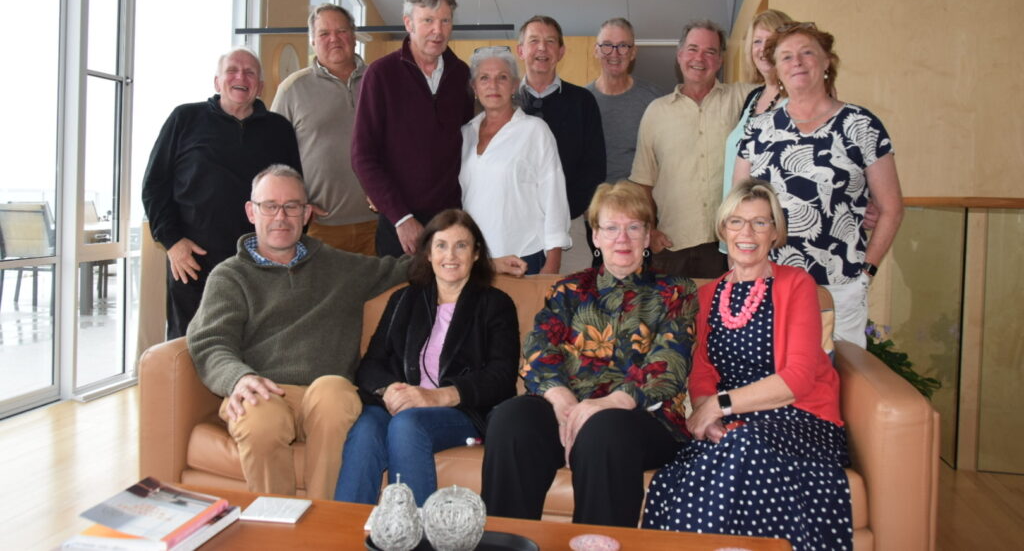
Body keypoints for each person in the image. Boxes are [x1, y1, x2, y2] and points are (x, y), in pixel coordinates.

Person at [186, 166, 526, 501]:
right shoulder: (230, 276)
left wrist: (484, 264)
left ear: (307, 213)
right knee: (261, 421)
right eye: (270, 206)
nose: (281, 216)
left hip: (326, 391)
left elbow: (402, 268)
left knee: (336, 394)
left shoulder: (337, 266)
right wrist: (238, 379)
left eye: (291, 206)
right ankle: (277, 523)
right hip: (264, 389)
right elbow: (210, 341)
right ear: (251, 211)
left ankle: (326, 522)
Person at [643, 179, 852, 550]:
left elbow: (798, 379)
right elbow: (702, 372)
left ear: (775, 233)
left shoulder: (798, 284)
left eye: (760, 222)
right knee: (686, 471)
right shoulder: (706, 296)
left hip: (800, 420)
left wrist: (718, 405)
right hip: (733, 425)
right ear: (723, 230)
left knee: (744, 447)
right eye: (737, 222)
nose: (747, 233)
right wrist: (710, 419)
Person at [481, 181, 696, 528]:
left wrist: (606, 404)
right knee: (512, 418)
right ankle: (505, 541)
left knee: (603, 430)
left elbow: (669, 363)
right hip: (569, 413)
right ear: (595, 236)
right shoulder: (567, 290)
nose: (622, 238)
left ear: (647, 237)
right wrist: (563, 401)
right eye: (611, 228)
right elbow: (539, 349)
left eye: (633, 228)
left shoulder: (675, 292)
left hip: (640, 420)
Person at [733, 21, 904, 347]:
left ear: (827, 62)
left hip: (839, 287)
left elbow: (892, 209)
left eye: (807, 53)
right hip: (768, 283)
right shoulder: (758, 129)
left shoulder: (861, 125)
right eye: (786, 57)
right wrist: (742, 272)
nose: (796, 62)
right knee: (770, 371)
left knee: (839, 374)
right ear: (776, 70)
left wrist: (865, 275)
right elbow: (737, 209)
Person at [334, 210, 520, 506]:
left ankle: (413, 529)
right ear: (429, 254)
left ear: (475, 254)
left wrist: (437, 397)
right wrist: (389, 390)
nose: (451, 255)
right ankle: (343, 528)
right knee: (366, 429)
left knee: (407, 425)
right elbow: (370, 364)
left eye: (461, 245)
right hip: (398, 405)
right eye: (441, 245)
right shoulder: (404, 300)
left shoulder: (495, 304)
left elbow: (501, 377)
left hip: (461, 412)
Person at [142, 48, 302, 339]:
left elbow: (293, 192)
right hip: (193, 262)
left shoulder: (279, 129)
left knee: (252, 343)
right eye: (232, 70)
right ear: (217, 82)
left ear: (260, 86)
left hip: (258, 263)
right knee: (188, 345)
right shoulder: (184, 118)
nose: (241, 77)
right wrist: (173, 242)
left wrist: (285, 248)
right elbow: (154, 185)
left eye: (250, 72)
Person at [351, 0, 473, 257]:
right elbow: (362, 155)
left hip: (450, 221)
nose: (438, 31)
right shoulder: (381, 75)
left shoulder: (461, 75)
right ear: (409, 23)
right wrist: (401, 218)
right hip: (399, 225)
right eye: (428, 20)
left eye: (445, 20)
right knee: (400, 288)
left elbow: (467, 144)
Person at [630, 20, 754, 279]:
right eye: (693, 49)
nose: (700, 58)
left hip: (727, 246)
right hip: (671, 247)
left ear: (720, 60)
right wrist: (649, 230)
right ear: (679, 56)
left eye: (710, 51)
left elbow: (782, 89)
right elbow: (643, 182)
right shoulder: (656, 112)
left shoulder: (743, 99)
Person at [271, 3, 376, 255]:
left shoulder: (380, 81)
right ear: (312, 41)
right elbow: (272, 157)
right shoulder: (292, 89)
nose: (334, 39)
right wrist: (296, 203)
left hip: (380, 223)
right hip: (320, 227)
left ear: (354, 36)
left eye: (341, 31)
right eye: (324, 33)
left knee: (383, 283)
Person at [460, 46, 571, 275]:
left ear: (514, 86)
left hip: (524, 257)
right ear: (474, 87)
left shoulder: (535, 131)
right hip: (476, 260)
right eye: (484, 78)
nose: (493, 85)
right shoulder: (465, 134)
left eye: (502, 77)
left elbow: (554, 199)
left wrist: (552, 263)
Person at [516, 15, 605, 272]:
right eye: (534, 41)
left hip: (569, 225)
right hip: (515, 227)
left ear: (561, 51)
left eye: (550, 42)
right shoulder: (504, 101)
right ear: (521, 50)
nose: (542, 48)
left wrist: (561, 211)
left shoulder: (582, 101)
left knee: (572, 293)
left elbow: (594, 168)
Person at [720, 9, 793, 201]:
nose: (763, 48)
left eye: (771, 41)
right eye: (757, 41)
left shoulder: (799, 99)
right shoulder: (752, 98)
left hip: (775, 214)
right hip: (737, 212)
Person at [586, 18, 662, 183]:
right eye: (607, 45)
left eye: (623, 46)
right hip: (593, 198)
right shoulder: (581, 102)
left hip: (640, 198)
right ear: (596, 51)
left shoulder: (654, 100)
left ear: (633, 52)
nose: (614, 54)